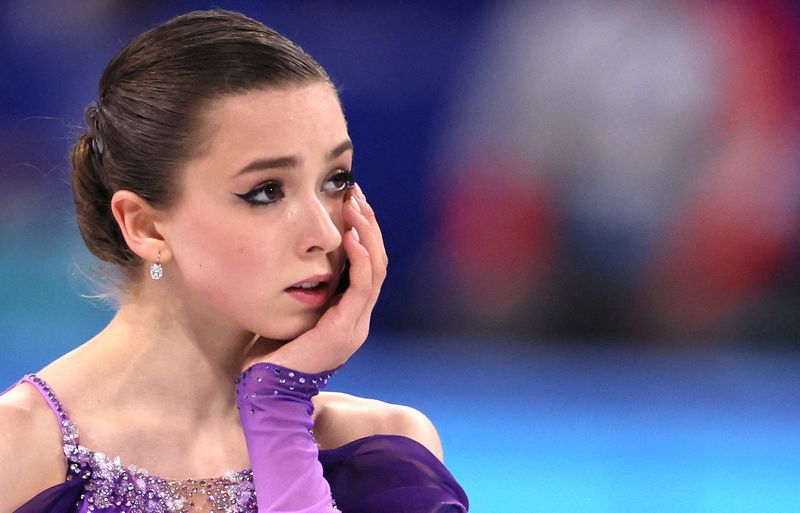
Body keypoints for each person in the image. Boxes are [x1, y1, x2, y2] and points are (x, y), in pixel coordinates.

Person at [0, 9, 468, 513]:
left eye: (336, 179)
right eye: (266, 191)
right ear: (146, 226)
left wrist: (278, 414)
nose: (326, 232)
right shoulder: (17, 452)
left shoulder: (383, 450)